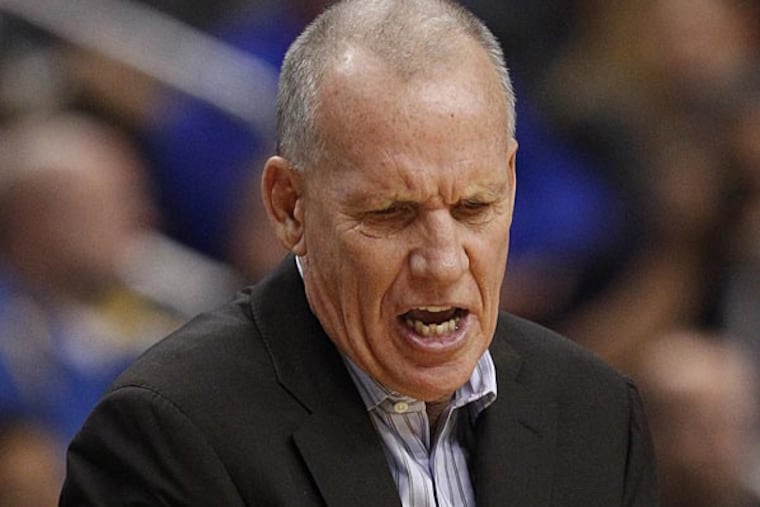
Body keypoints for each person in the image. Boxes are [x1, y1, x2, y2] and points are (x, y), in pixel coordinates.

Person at [59, 1, 659, 505]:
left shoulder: (598, 415)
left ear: (511, 179)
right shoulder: (168, 434)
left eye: (474, 207)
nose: (443, 262)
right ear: (290, 206)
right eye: (391, 213)